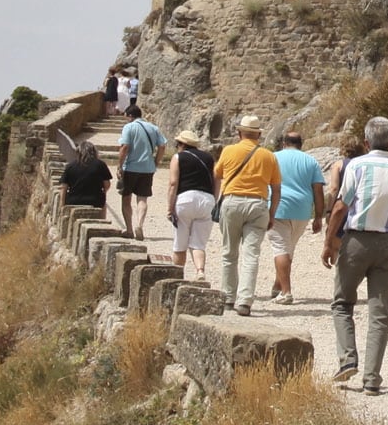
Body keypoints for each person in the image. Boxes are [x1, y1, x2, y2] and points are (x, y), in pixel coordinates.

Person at [320, 116, 388, 394]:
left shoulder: (358, 165)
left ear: (366, 142)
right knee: (381, 314)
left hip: (356, 240)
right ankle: (372, 379)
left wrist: (329, 241)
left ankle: (347, 359)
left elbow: (341, 207)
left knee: (342, 303)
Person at [212, 114, 281, 315]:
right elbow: (276, 189)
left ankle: (227, 297)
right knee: (251, 255)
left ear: (239, 132)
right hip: (258, 204)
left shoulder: (229, 151)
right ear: (258, 135)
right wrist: (272, 213)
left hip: (232, 201)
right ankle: (245, 301)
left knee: (229, 253)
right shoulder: (268, 156)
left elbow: (218, 175)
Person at [267, 130, 327, 305]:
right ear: (301, 144)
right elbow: (318, 190)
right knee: (289, 248)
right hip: (302, 211)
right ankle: (278, 285)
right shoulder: (311, 161)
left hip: (278, 208)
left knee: (280, 248)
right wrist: (318, 216)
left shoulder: (273, 157)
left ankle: (286, 292)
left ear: (284, 143)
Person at [168, 128, 218, 280]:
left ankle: (177, 277)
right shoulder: (209, 158)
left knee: (180, 243)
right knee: (199, 243)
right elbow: (216, 180)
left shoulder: (178, 157)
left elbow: (173, 183)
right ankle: (200, 271)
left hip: (186, 199)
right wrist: (214, 201)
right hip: (207, 200)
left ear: (181, 144)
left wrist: (170, 208)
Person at [116, 108, 167, 238]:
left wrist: (119, 166)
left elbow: (125, 147)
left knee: (126, 199)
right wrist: (156, 162)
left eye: (126, 116)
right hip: (147, 168)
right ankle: (139, 224)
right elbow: (162, 146)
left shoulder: (129, 127)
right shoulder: (153, 128)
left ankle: (129, 230)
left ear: (130, 115)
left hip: (131, 168)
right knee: (142, 199)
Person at [60, 139, 112, 211]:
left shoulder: (70, 166)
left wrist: (62, 206)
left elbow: (63, 188)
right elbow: (107, 184)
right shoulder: (101, 164)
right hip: (95, 201)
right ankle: (101, 219)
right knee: (103, 203)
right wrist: (103, 192)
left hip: (73, 201)